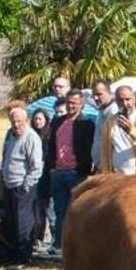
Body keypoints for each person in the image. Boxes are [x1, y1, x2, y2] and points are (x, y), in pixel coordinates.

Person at [45, 90, 94, 250]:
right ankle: (59, 244)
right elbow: (51, 147)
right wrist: (52, 168)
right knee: (59, 210)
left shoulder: (86, 124)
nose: (70, 105)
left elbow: (88, 150)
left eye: (74, 103)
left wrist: (80, 170)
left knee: (75, 210)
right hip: (58, 172)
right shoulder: (58, 122)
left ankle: (75, 246)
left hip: (75, 172)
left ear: (81, 104)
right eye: (68, 102)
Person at [0, 107, 44, 268]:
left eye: (20, 121)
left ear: (26, 121)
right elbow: (5, 156)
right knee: (11, 222)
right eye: (13, 121)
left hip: (22, 187)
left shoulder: (31, 138)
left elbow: (36, 166)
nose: (16, 124)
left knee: (23, 224)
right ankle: (14, 256)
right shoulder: (9, 134)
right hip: (8, 184)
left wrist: (26, 186)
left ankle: (24, 258)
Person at [96, 85, 136, 175]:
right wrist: (106, 174)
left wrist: (131, 130)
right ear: (116, 101)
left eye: (128, 99)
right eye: (120, 100)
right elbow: (105, 151)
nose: (124, 104)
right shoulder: (110, 121)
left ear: (134, 99)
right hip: (117, 176)